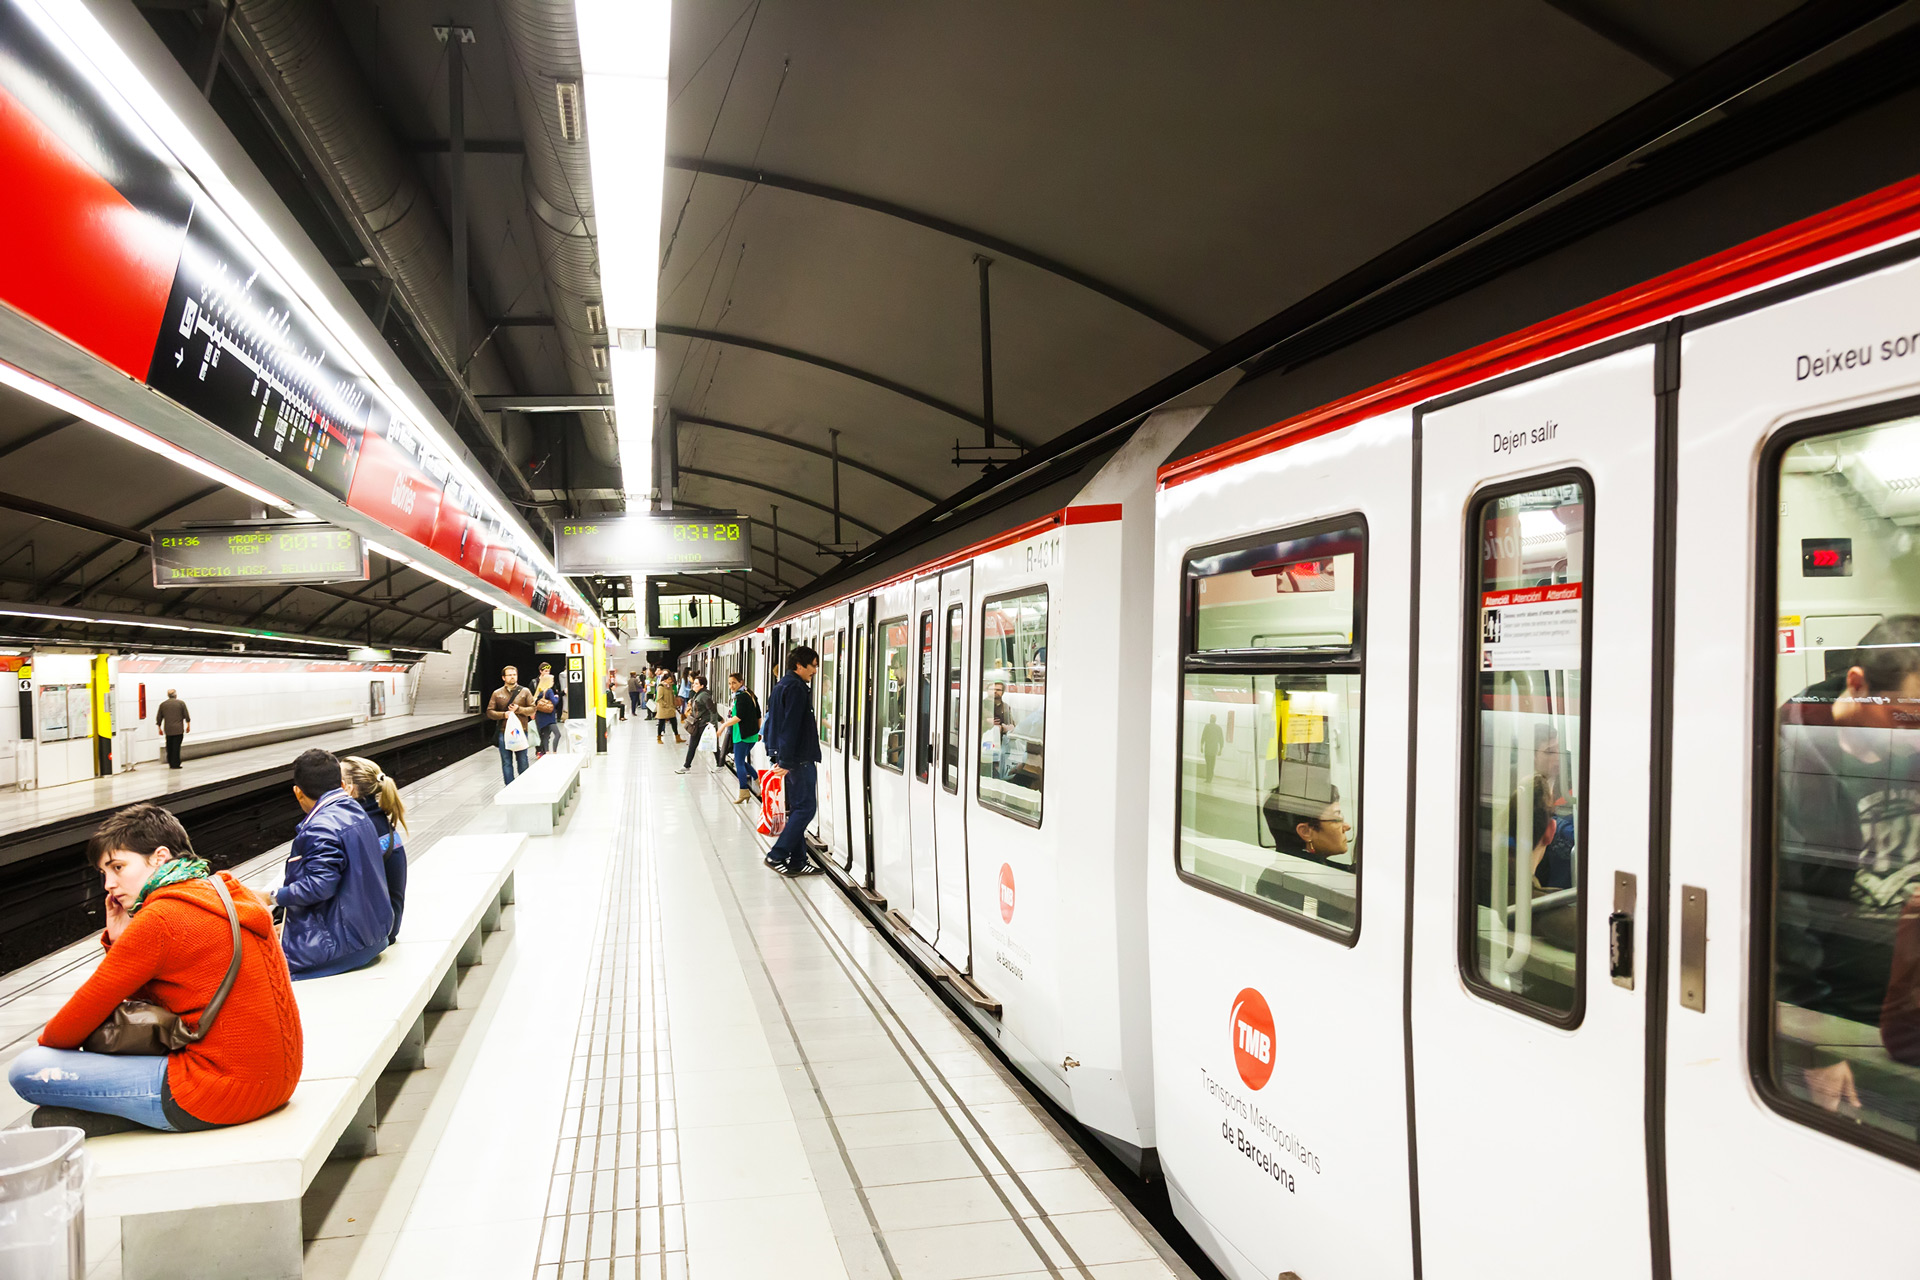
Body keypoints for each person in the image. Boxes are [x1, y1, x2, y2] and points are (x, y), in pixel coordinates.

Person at [9, 803, 302, 1136]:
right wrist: (122, 940)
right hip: (278, 1079)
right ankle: (117, 1115)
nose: (109, 884)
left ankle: (125, 1114)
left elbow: (65, 1031)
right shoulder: (226, 891)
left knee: (29, 1069)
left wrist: (121, 943)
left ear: (160, 857)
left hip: (220, 1092)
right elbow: (153, 1001)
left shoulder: (161, 918)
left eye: (118, 867)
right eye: (104, 873)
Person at [1775, 617, 1920, 1110]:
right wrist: (1813, 1048)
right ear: (1857, 684)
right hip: (1846, 1027)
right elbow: (1785, 918)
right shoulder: (1793, 759)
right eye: (1907, 717)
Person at [269, 748, 393, 980]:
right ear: (341, 783)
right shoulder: (356, 811)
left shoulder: (320, 828)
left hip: (338, 950)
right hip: (372, 936)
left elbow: (319, 886)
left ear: (298, 792)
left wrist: (271, 897)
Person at [764, 646, 823, 875]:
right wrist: (786, 762)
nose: (815, 671)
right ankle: (776, 854)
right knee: (806, 808)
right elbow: (790, 727)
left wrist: (776, 755)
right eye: (813, 665)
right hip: (799, 759)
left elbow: (773, 723)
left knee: (798, 808)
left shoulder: (781, 686)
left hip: (790, 757)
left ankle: (798, 861)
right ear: (799, 665)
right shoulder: (797, 688)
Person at [340, 756, 408, 945]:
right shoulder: (378, 821)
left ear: (349, 789)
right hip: (389, 923)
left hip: (379, 932)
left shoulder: (361, 828)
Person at [487, 665, 536, 783]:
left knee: (523, 760)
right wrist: (504, 715)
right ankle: (509, 786)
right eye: (509, 675)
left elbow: (533, 709)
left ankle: (523, 784)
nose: (512, 677)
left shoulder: (525, 692)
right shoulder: (497, 693)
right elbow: (489, 712)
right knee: (506, 761)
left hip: (521, 730)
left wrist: (519, 709)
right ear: (504, 678)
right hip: (503, 732)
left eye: (514, 675)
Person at [719, 671, 762, 804]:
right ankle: (759, 781)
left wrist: (723, 726)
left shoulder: (742, 697)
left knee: (739, 763)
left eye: (734, 683)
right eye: (729, 683)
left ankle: (744, 791)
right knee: (741, 762)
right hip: (750, 735)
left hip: (742, 735)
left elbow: (738, 717)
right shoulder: (749, 694)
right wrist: (757, 731)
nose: (731, 686)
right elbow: (759, 715)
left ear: (741, 682)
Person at [676, 675, 718, 774]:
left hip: (704, 724)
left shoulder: (703, 696)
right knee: (698, 745)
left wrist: (713, 723)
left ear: (702, 685)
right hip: (699, 724)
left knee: (710, 744)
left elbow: (712, 710)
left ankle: (720, 765)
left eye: (696, 684)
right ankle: (686, 766)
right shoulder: (698, 695)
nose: (693, 685)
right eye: (693, 683)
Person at [155, 688, 191, 769]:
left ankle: (171, 762)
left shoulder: (163, 704)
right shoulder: (181, 703)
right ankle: (176, 763)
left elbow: (159, 718)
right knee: (176, 747)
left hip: (168, 729)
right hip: (178, 729)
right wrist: (188, 725)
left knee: (169, 746)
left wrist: (159, 728)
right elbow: (186, 715)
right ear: (175, 695)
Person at [533, 668, 565, 756]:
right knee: (557, 734)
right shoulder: (549, 691)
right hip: (549, 717)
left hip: (540, 717)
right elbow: (554, 702)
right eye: (552, 680)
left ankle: (546, 752)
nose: (553, 682)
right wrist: (557, 697)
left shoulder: (539, 691)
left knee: (545, 736)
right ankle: (554, 752)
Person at [655, 667, 683, 744]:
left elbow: (672, 696)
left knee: (674, 722)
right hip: (663, 709)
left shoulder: (670, 686)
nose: (671, 681)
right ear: (665, 680)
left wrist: (674, 705)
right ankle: (659, 738)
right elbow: (659, 699)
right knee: (661, 723)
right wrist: (666, 705)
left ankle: (677, 737)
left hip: (671, 708)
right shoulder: (661, 687)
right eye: (669, 679)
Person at [1200, 714, 1225, 783]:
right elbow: (1221, 739)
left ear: (1210, 719)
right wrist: (1220, 750)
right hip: (1214, 749)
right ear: (1215, 720)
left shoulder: (1207, 726)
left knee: (1208, 764)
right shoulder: (1218, 728)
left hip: (1208, 748)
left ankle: (1208, 778)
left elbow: (1203, 736)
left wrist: (1201, 746)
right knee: (1212, 764)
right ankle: (1210, 778)